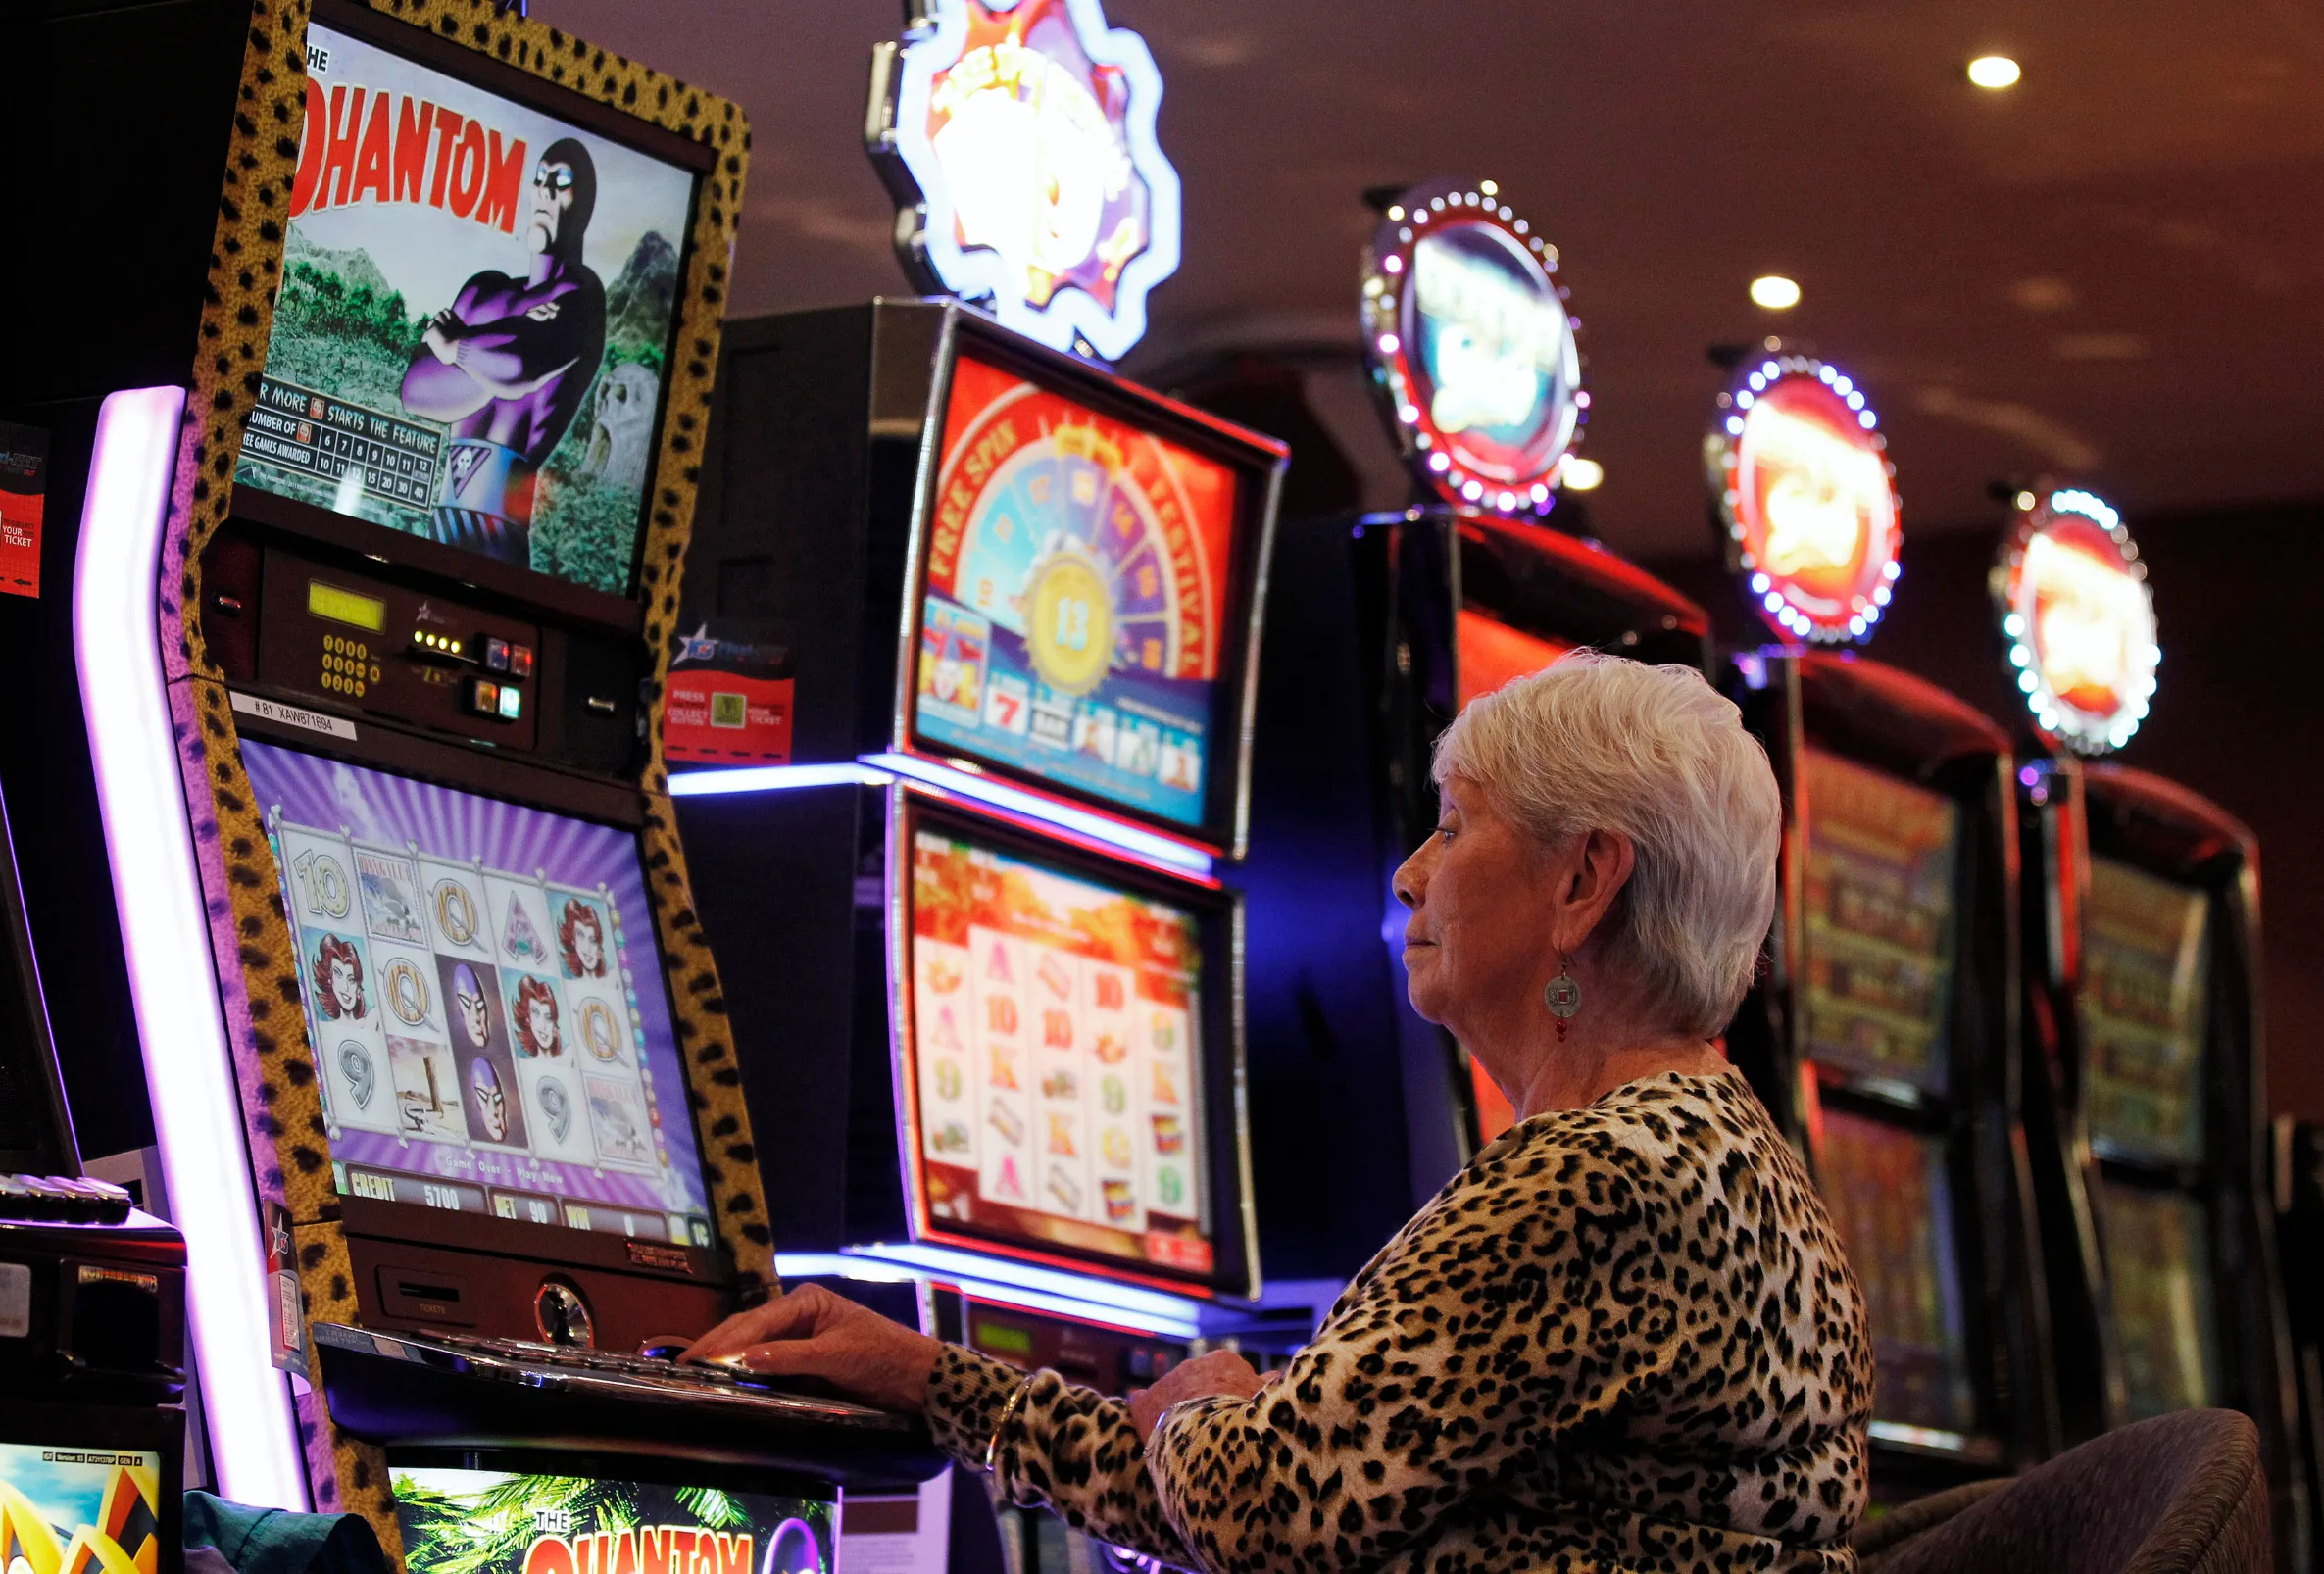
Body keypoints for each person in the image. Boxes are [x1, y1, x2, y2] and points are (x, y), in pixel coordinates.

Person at [686, 654, 1872, 1573]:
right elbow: (1267, 1500)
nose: (1411, 871)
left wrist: (1205, 1408)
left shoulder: (1594, 1181)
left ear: (1581, 882)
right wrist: (928, 1377)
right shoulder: (1741, 1163)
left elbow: (1264, 1510)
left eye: (1456, 827)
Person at [400, 139, 606, 566]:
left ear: (583, 205)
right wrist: (490, 362)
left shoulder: (581, 296)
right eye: (540, 178)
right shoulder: (484, 289)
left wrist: (455, 346)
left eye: (562, 182)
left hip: (500, 534)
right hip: (443, 520)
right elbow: (415, 389)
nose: (546, 191)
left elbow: (519, 366)